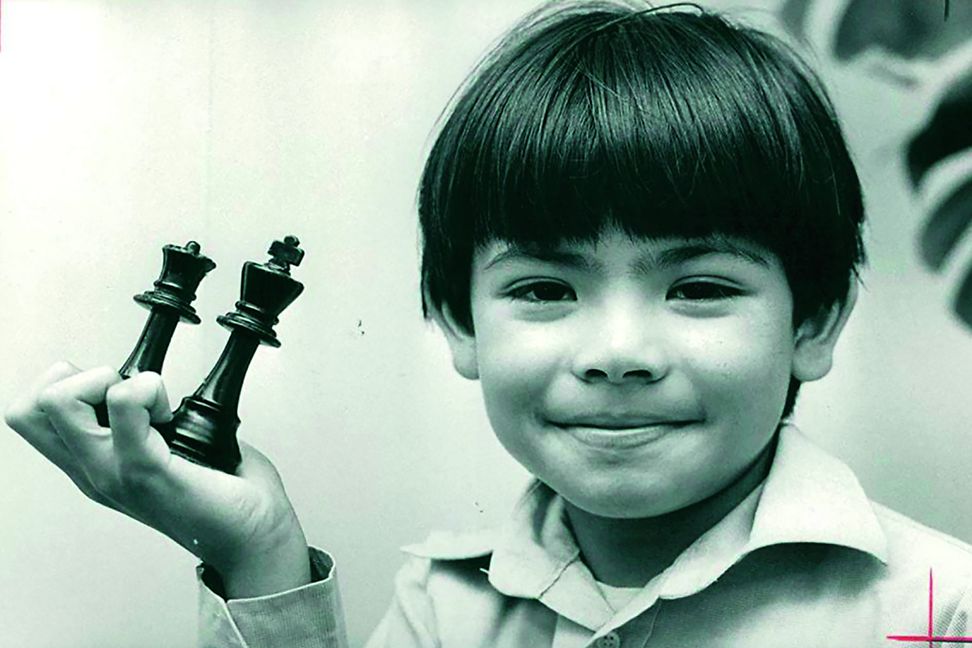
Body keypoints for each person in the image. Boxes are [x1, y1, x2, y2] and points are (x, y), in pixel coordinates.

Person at [6, 2, 972, 647]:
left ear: (816, 320)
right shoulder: (443, 608)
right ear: (457, 325)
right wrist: (263, 554)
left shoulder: (944, 609)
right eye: (548, 290)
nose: (618, 353)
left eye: (701, 287)